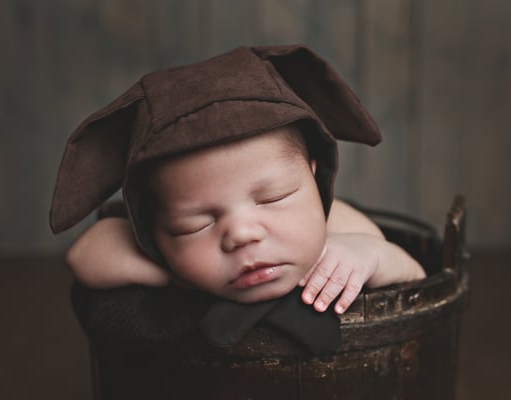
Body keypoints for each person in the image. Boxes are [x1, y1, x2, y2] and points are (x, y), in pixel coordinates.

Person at [51, 45, 424, 324]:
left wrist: (369, 255)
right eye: (195, 224)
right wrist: (178, 271)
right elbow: (82, 254)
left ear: (313, 176)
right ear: (155, 230)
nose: (242, 234)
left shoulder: (337, 228)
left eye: (273, 198)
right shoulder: (165, 254)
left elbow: (416, 276)